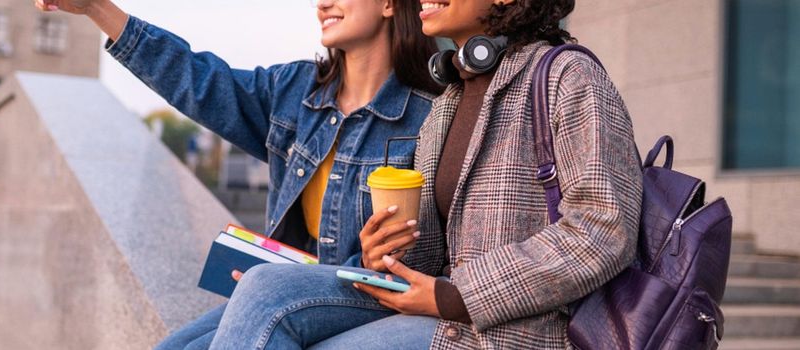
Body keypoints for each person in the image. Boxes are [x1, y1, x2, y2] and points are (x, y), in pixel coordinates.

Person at [211, 0, 644, 348]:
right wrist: (381, 252)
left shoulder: (568, 75)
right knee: (263, 286)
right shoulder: (450, 99)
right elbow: (436, 253)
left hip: (520, 331)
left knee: (277, 308)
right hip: (445, 315)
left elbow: (603, 232)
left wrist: (455, 296)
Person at [33, 0, 443, 348]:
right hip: (291, 284)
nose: (322, 4)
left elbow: (439, 246)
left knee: (263, 300)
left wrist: (368, 259)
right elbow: (200, 82)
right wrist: (96, 8)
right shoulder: (295, 90)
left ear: (390, 4)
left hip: (368, 290)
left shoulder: (428, 114)